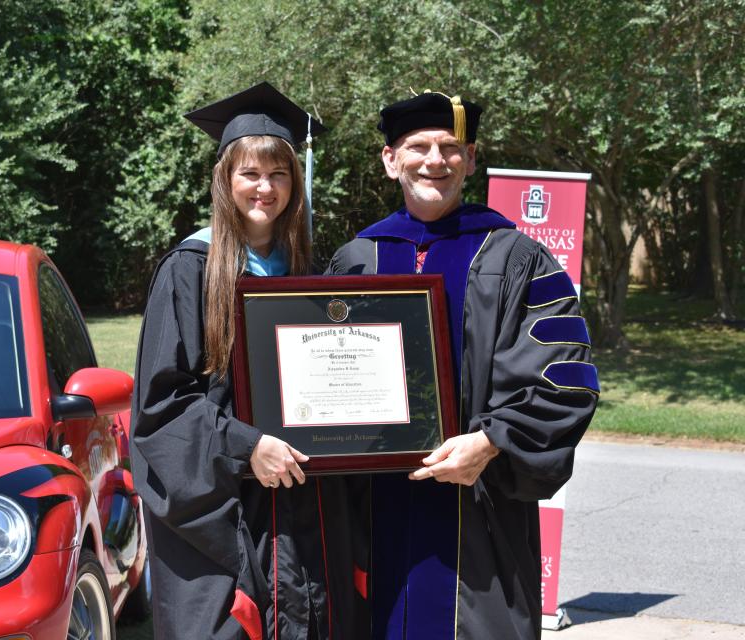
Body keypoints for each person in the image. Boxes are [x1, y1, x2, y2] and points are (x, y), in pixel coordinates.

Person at [327, 91, 599, 639]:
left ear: (470, 160)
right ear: (390, 160)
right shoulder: (356, 259)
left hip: (480, 510)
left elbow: (563, 380)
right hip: (375, 514)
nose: (435, 160)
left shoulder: (517, 257)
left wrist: (491, 442)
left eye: (450, 147)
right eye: (418, 146)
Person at [131, 82, 368, 640]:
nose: (266, 188)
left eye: (279, 174)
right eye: (250, 174)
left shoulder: (310, 275)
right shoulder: (190, 269)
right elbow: (161, 408)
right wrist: (247, 447)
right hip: (225, 514)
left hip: (303, 509)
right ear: (225, 180)